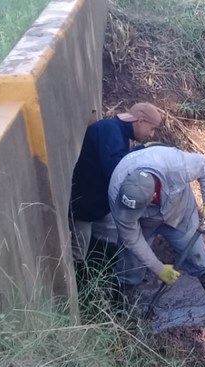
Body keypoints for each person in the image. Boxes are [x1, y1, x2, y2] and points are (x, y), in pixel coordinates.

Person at [108, 144, 205, 323]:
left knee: (199, 258)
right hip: (142, 225)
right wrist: (158, 268)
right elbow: (131, 238)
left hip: (178, 213)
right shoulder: (116, 193)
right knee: (130, 268)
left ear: (152, 197)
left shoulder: (176, 166)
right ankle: (120, 319)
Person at [69, 102, 162, 261]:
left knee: (121, 241)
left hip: (99, 208)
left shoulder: (117, 133)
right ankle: (80, 282)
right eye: (152, 128)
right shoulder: (110, 131)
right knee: (77, 256)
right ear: (140, 121)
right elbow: (116, 171)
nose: (152, 134)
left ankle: (110, 274)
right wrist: (141, 150)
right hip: (83, 211)